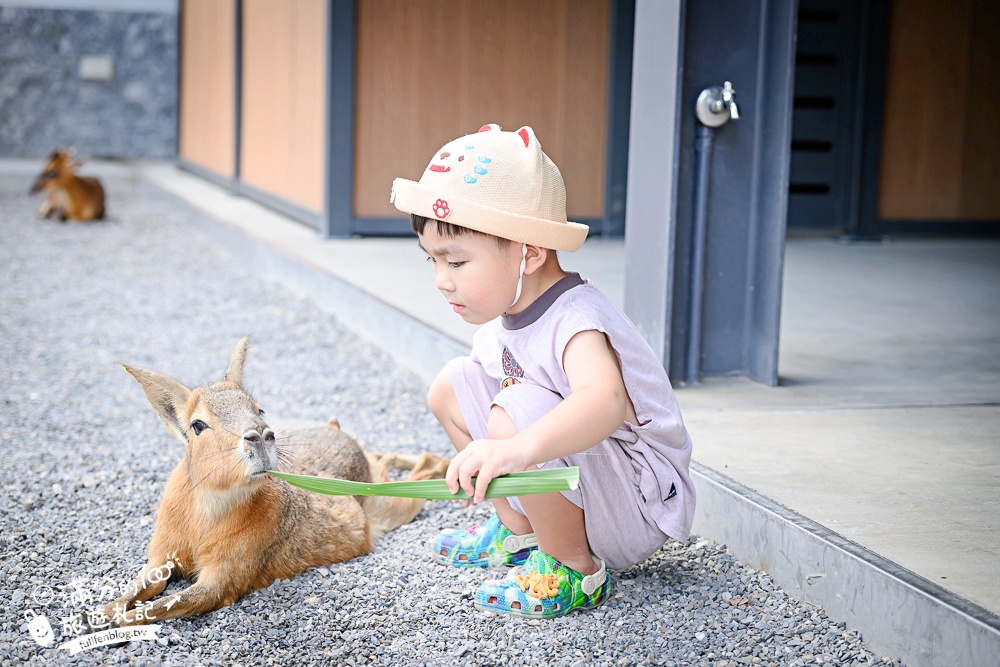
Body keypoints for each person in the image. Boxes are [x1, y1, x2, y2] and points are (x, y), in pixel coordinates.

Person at [390, 123, 695, 618]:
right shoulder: (509, 315)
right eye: (432, 260)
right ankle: (523, 531)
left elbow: (604, 400)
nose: (441, 281)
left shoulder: (577, 318)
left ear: (529, 252)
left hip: (636, 502)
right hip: (588, 481)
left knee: (516, 410)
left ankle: (574, 565)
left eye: (457, 261)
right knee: (453, 384)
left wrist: (517, 447)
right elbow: (485, 391)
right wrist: (509, 445)